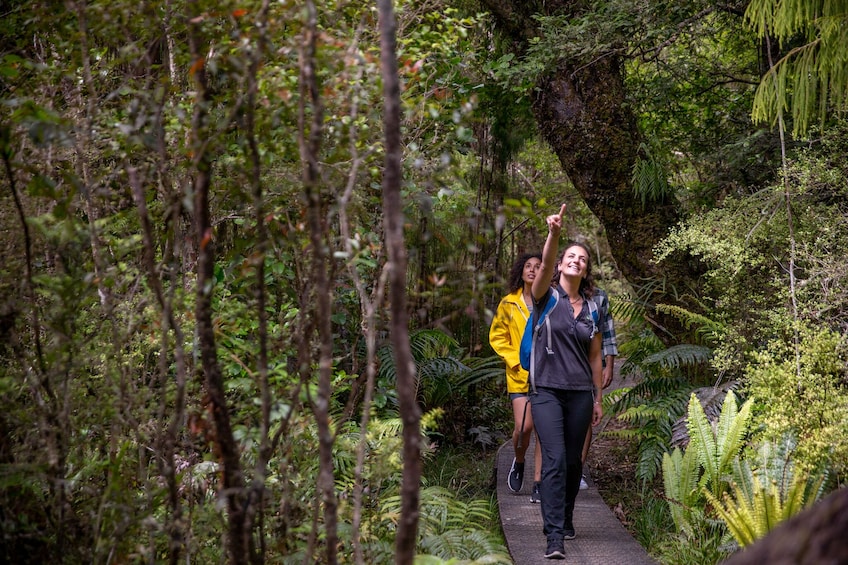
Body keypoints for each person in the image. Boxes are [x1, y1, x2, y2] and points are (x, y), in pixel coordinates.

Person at [527, 204, 603, 560]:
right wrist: (554, 234)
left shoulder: (592, 308)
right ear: (560, 264)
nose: (576, 261)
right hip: (545, 390)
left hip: (580, 394)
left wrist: (598, 398)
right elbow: (542, 267)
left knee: (573, 462)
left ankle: (567, 516)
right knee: (555, 459)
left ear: (586, 270)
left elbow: (595, 358)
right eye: (570, 256)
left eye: (582, 258)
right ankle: (553, 535)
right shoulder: (545, 297)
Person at [489, 253, 544, 502]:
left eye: (538, 267)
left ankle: (539, 483)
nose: (532, 270)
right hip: (519, 374)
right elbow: (498, 337)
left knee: (543, 429)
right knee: (524, 428)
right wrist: (515, 361)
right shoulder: (508, 303)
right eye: (528, 266)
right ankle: (519, 460)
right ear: (521, 271)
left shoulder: (551, 300)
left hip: (547, 374)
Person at [580, 286, 618, 487]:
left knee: (586, 417)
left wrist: (609, 365)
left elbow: (607, 331)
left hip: (591, 365)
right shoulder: (554, 292)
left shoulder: (599, 296)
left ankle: (577, 470)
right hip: (562, 366)